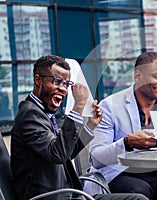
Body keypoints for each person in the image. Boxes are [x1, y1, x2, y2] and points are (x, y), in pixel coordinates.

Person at [10, 55, 148, 200]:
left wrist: (91, 125)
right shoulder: (30, 114)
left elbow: (66, 153)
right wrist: (78, 106)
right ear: (38, 80)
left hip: (66, 195)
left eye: (66, 84)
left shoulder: (42, 113)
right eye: (57, 82)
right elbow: (58, 154)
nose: (63, 89)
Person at [84, 51, 157, 200]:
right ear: (138, 76)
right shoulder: (109, 106)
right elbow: (96, 158)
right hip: (121, 173)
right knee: (139, 191)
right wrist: (126, 143)